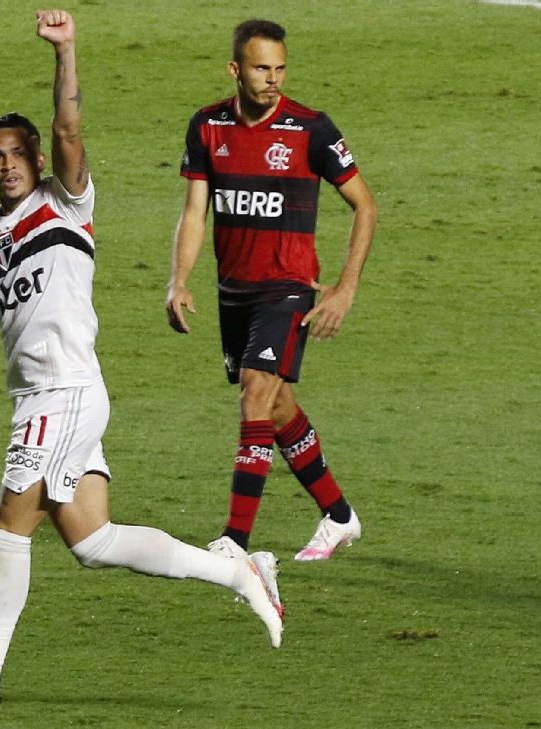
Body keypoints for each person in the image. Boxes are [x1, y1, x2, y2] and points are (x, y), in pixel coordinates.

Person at [0, 10, 284, 727]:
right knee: (93, 539)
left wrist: (66, 52)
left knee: (4, 529)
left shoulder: (65, 202)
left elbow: (73, 130)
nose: (9, 162)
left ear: (39, 157)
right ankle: (237, 569)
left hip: (68, 391)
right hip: (37, 399)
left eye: (20, 151)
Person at [165, 19, 379, 563]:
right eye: (262, 68)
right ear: (236, 70)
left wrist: (345, 288)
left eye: (280, 68)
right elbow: (195, 211)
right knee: (278, 406)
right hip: (232, 292)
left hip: (286, 289)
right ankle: (338, 515)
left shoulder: (311, 129)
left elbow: (365, 205)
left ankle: (234, 541)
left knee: (256, 392)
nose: (273, 79)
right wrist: (179, 281)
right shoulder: (208, 126)